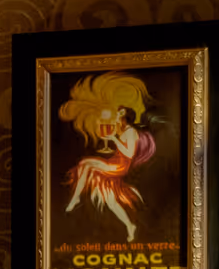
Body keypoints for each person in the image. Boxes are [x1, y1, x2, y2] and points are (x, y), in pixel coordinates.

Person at [60, 70, 156, 244]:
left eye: (119, 115)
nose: (116, 118)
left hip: (120, 166)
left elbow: (128, 154)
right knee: (111, 202)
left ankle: (76, 198)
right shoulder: (124, 130)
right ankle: (130, 226)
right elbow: (106, 124)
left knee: (86, 164)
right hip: (114, 162)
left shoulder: (131, 133)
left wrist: (113, 139)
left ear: (125, 118)